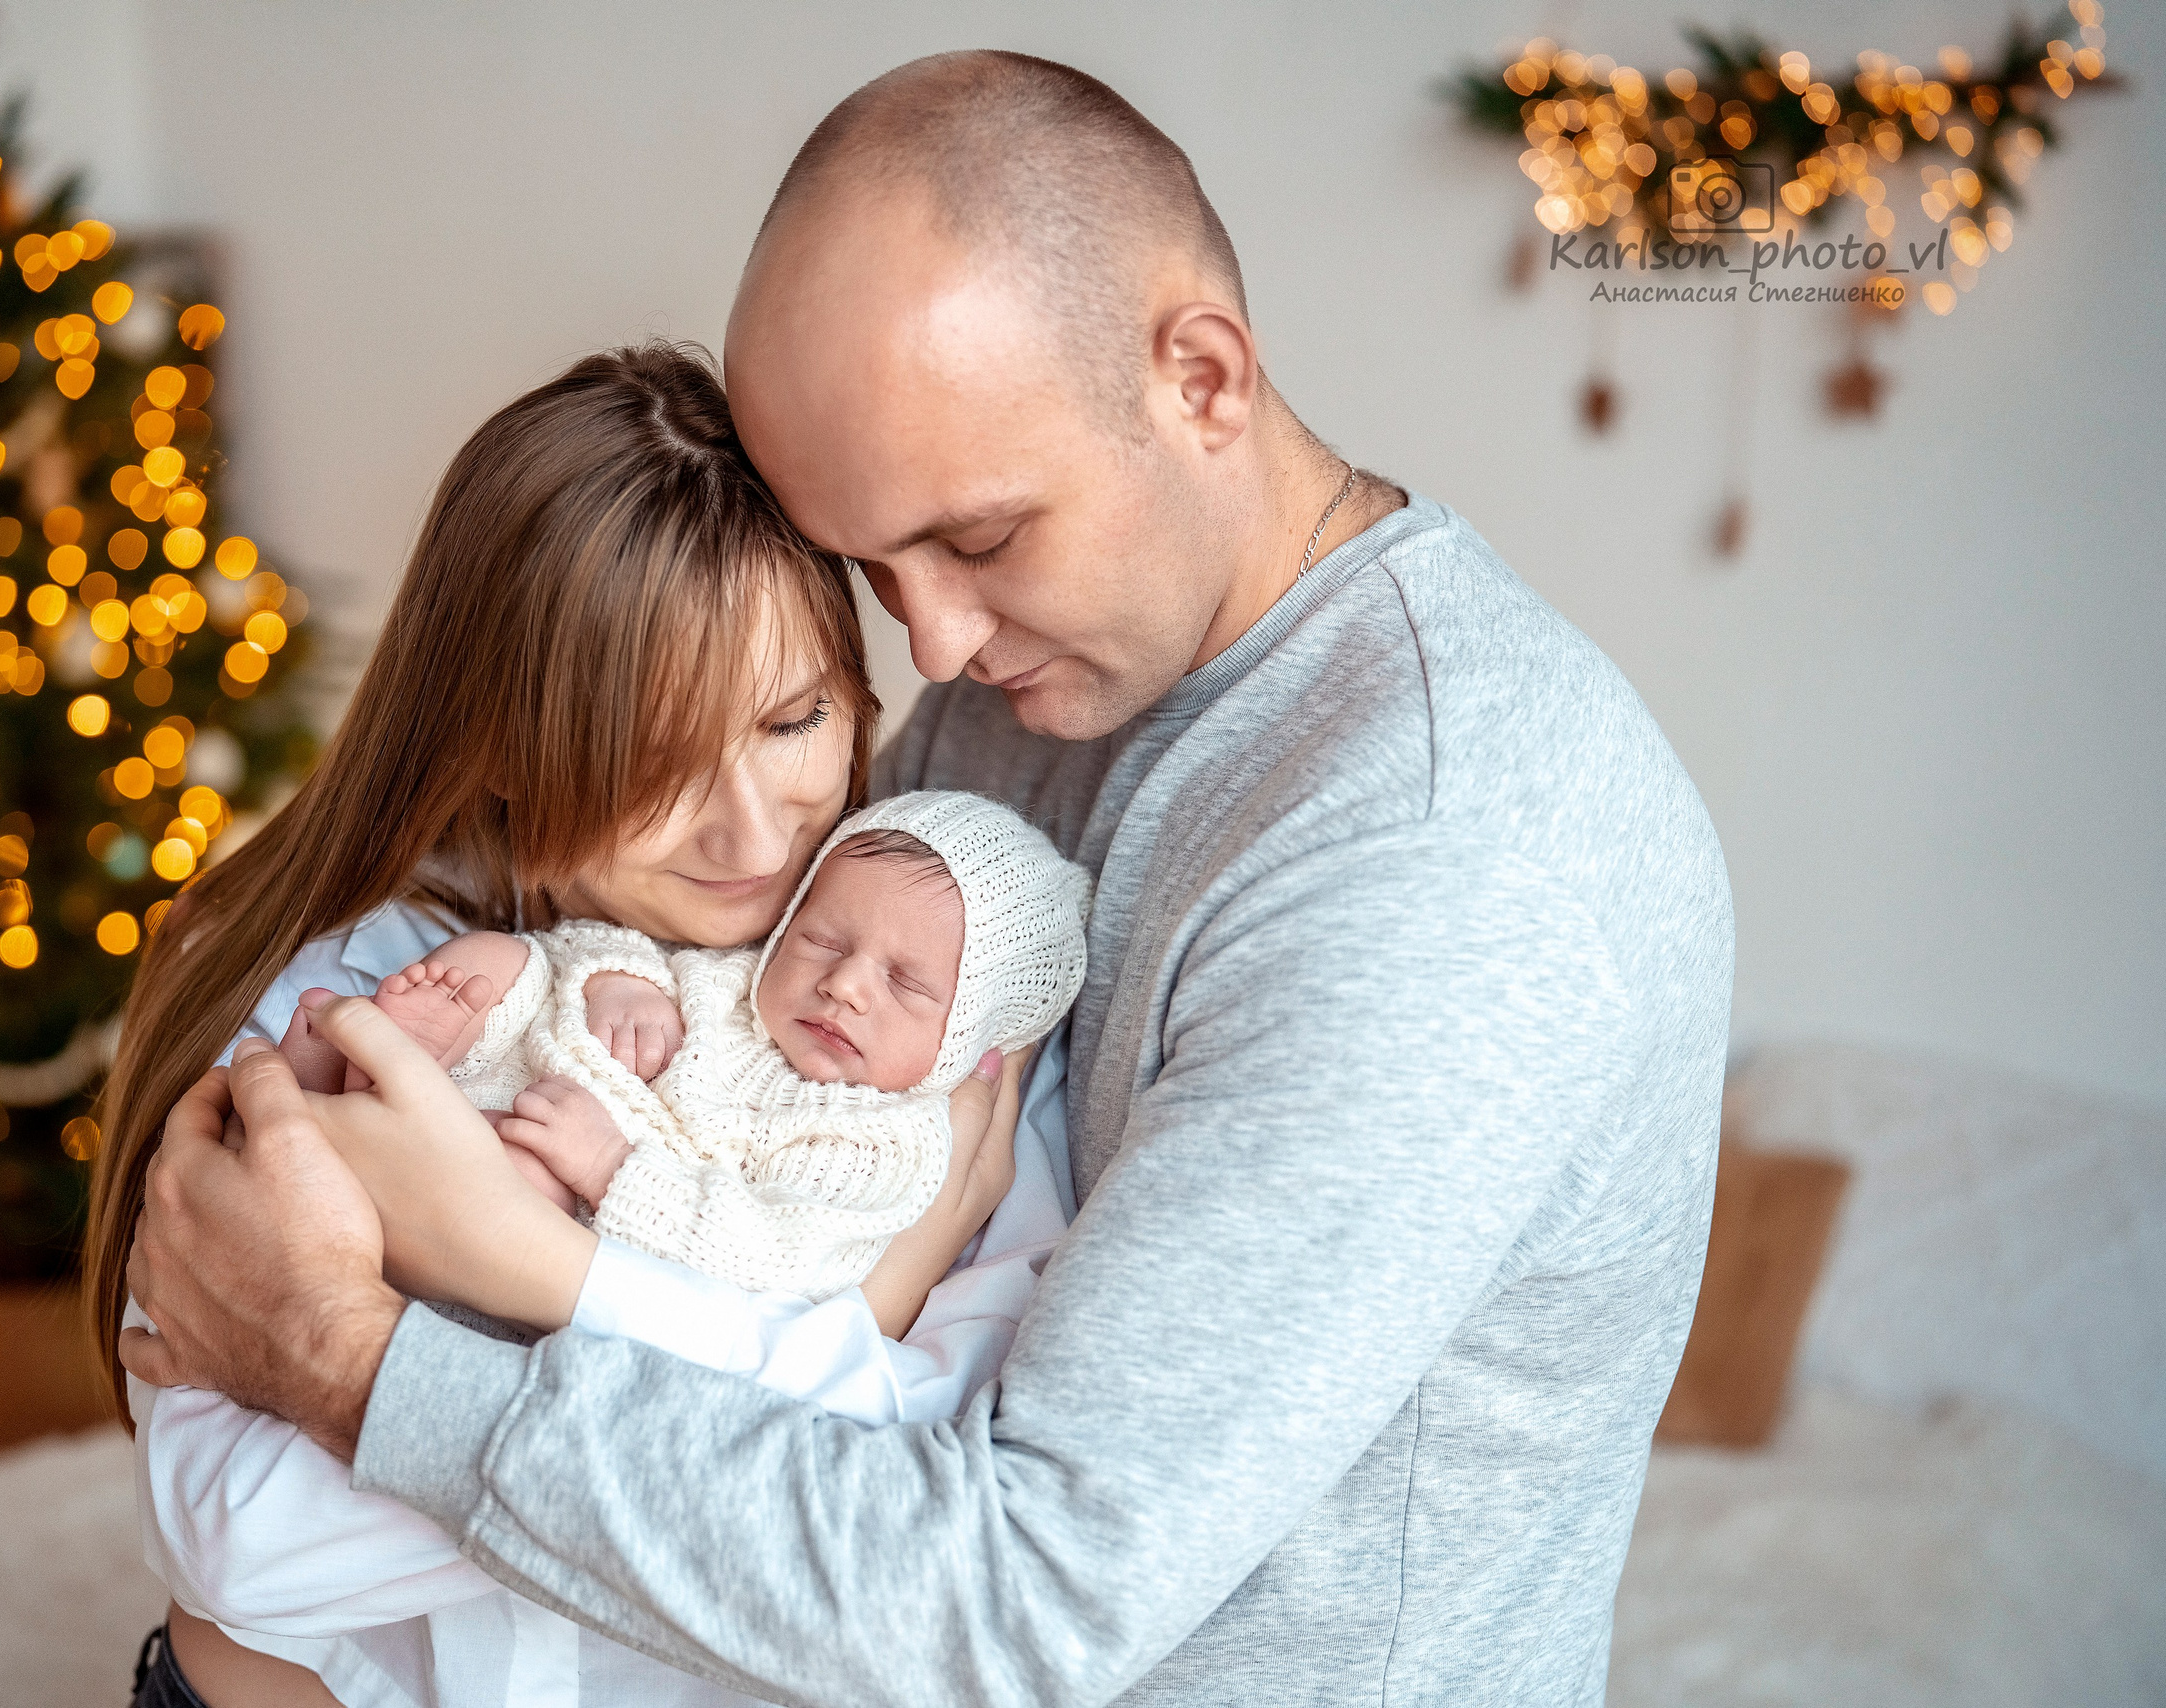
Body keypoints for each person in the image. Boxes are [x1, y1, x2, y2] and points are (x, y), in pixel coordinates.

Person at [123, 49, 1737, 1708]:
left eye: (975, 540)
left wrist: (350, 1358)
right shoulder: (1015, 700)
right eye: (876, 569)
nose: (935, 644)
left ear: (1199, 377)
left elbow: (1010, 1601)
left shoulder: (1445, 850)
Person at [91, 343, 1050, 1706]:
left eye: (794, 720)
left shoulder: (917, 1006)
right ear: (500, 744)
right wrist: (875, 1307)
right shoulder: (370, 1001)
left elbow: (919, 1524)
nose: (754, 830)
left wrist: (472, 1288)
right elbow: (243, 1543)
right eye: (653, 762)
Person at [284, 789, 1090, 1299]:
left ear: (973, 1035)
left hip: (568, 1216)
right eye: (820, 938)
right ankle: (382, 1067)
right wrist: (622, 980)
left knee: (526, 1180)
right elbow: (588, 950)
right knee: (501, 961)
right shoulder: (738, 982)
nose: (845, 985)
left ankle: (350, 1122)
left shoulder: (884, 1142)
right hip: (530, 1078)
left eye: (908, 985)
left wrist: (610, 1169)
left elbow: (780, 1259)